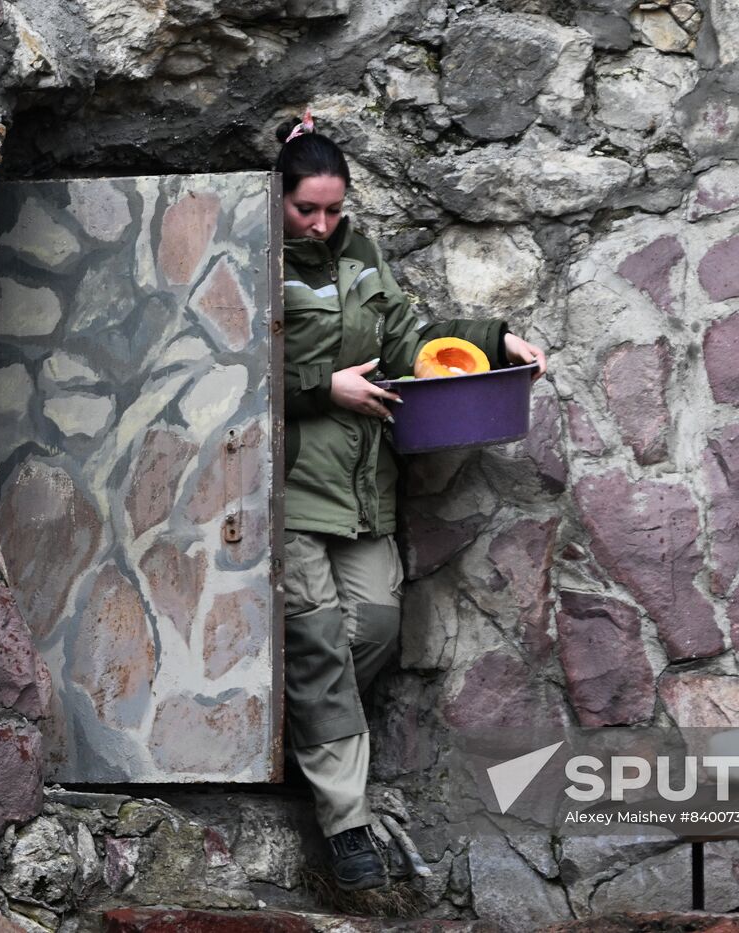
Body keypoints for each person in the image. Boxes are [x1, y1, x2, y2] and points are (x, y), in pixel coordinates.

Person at [274, 110, 547, 892]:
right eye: (307, 209)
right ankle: (345, 820)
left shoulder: (360, 255)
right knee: (319, 638)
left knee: (379, 624)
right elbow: (227, 362)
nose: (323, 223)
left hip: (364, 486)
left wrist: (496, 340)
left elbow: (407, 340)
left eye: (334, 207)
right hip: (288, 487)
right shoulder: (249, 255)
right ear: (279, 199)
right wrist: (322, 388)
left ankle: (317, 745)